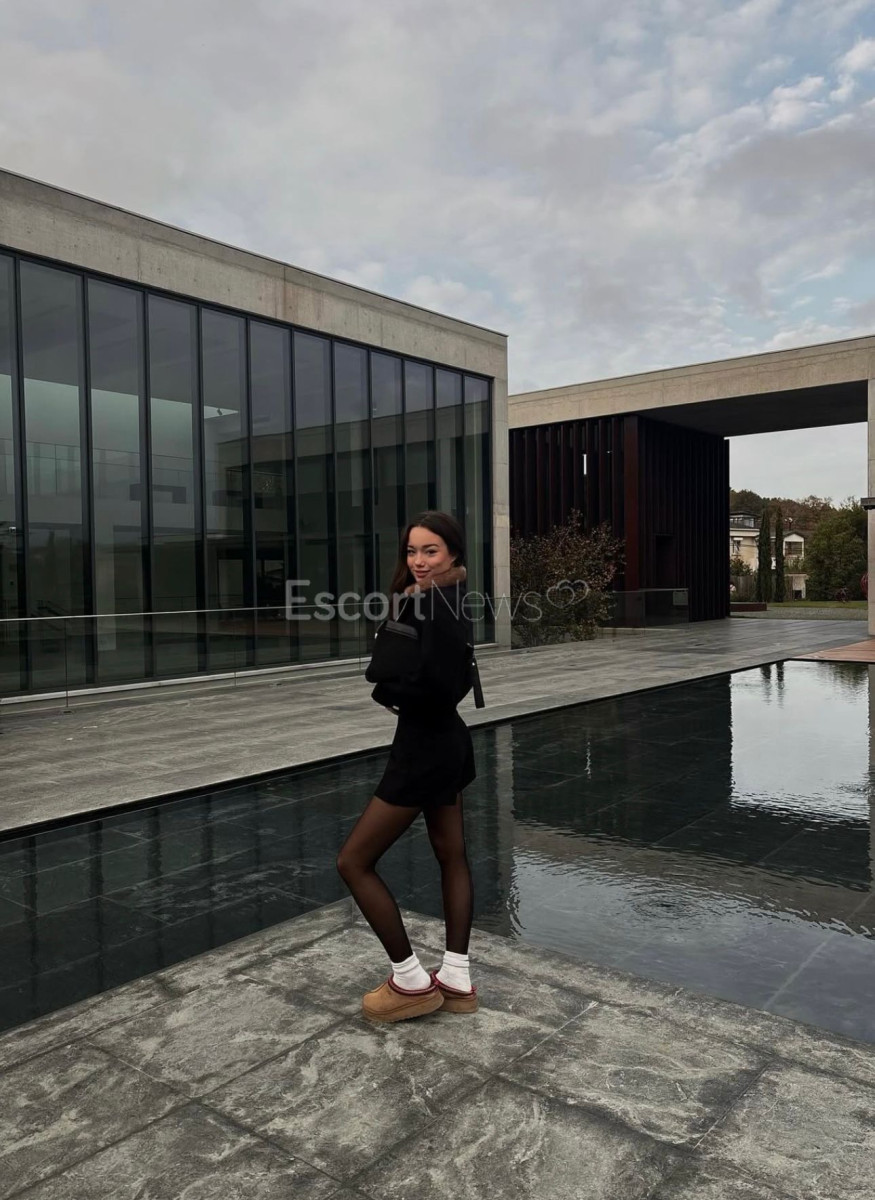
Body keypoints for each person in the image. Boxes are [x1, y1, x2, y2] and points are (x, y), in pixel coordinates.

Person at [336, 510, 479, 1024]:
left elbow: (427, 683)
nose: (419, 560)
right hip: (447, 742)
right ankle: (456, 978)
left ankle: (411, 981)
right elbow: (447, 680)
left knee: (353, 862)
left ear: (453, 552)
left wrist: (386, 692)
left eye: (430, 550)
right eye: (412, 551)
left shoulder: (426, 603)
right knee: (451, 854)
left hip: (423, 749)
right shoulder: (454, 597)